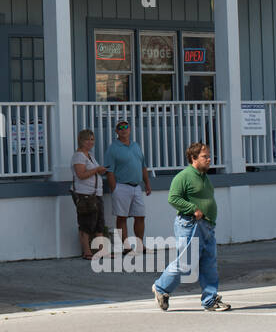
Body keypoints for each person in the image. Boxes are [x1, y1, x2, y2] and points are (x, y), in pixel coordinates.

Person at [152, 142, 230, 312]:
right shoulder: (184, 176)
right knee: (185, 264)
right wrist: (193, 209)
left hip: (207, 226)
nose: (209, 159)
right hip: (191, 225)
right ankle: (161, 288)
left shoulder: (203, 176)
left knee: (209, 263)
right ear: (193, 158)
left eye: (209, 156)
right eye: (205, 156)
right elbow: (173, 198)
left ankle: (210, 300)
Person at [103, 119, 152, 252]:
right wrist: (115, 189)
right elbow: (110, 171)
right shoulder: (113, 149)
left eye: (126, 126)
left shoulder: (136, 146)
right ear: (116, 132)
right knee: (122, 217)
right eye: (120, 128)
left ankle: (140, 245)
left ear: (130, 129)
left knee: (140, 216)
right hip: (121, 186)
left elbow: (143, 166)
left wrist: (147, 183)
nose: (124, 129)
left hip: (137, 186)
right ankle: (125, 247)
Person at [71, 129, 108, 260]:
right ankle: (87, 252)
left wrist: (101, 170)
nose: (90, 142)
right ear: (81, 140)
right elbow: (81, 175)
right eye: (88, 139)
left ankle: (101, 250)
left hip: (96, 194)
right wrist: (96, 170)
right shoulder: (79, 156)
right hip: (85, 194)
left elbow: (92, 171)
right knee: (86, 223)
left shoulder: (90, 155)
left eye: (92, 139)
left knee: (99, 223)